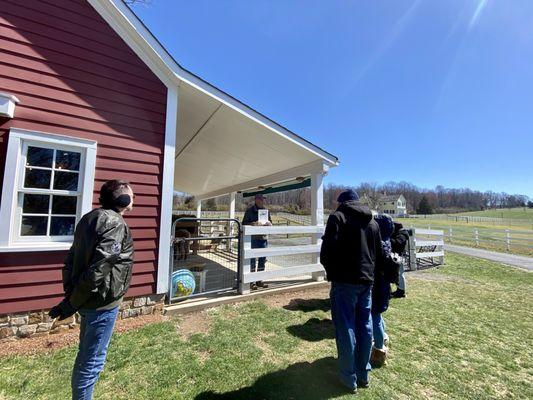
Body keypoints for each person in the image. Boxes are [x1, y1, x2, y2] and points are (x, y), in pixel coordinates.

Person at [48, 180, 135, 400]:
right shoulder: (115, 223)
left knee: (86, 355)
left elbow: (71, 259)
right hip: (100, 302)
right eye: (131, 195)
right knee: (92, 360)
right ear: (122, 199)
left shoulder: (89, 218)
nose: (134, 198)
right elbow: (99, 268)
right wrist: (71, 302)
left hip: (86, 299)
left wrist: (72, 294)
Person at [320, 189, 383, 392]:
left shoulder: (337, 217)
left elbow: (326, 251)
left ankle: (348, 378)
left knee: (345, 327)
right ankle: (363, 373)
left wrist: (332, 272)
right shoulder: (372, 222)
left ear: (342, 202)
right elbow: (379, 254)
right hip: (366, 282)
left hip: (344, 282)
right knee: (365, 327)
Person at [370, 213, 395, 367]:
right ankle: (384, 338)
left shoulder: (378, 244)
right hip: (384, 285)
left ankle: (379, 349)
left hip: (378, 285)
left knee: (375, 316)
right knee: (378, 315)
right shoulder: (386, 241)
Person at [242, 194, 272, 290]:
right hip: (253, 239)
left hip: (263, 238)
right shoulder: (249, 211)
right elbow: (244, 223)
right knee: (252, 261)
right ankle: (251, 281)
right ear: (256, 200)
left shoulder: (266, 211)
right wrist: (254, 224)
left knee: (262, 260)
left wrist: (269, 223)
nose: (262, 201)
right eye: (260, 199)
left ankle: (259, 280)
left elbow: (270, 221)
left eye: (263, 199)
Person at [390, 222, 410, 298]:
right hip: (398, 255)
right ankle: (400, 289)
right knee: (399, 274)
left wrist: (389, 239)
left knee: (400, 274)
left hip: (400, 256)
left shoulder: (402, 235)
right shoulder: (401, 234)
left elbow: (398, 243)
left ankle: (401, 291)